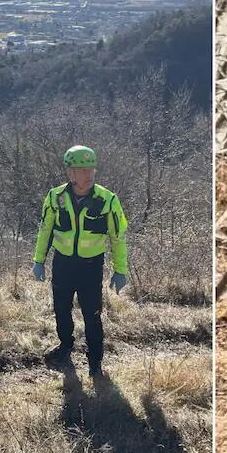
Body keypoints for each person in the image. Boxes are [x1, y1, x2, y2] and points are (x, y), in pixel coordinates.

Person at [32, 146, 129, 377]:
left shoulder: (107, 200)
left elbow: (118, 237)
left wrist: (120, 270)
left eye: (91, 169)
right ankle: (66, 345)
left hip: (91, 267)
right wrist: (38, 260)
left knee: (92, 316)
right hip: (63, 264)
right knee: (61, 310)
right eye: (82, 170)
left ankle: (95, 362)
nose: (89, 174)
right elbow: (45, 229)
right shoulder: (55, 197)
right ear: (70, 173)